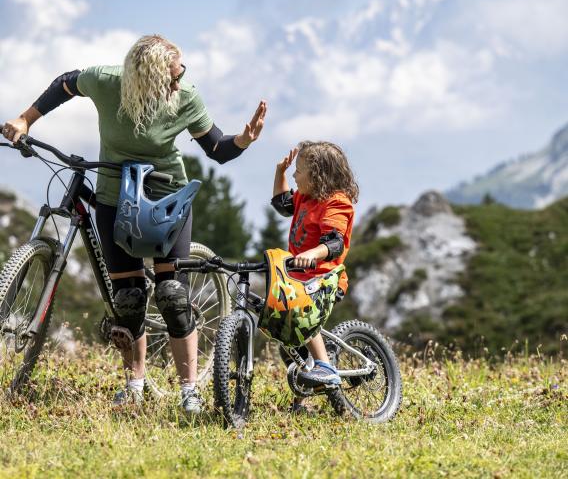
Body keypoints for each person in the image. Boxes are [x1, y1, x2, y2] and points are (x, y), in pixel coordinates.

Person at [2, 34, 267, 415]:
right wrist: (24, 119)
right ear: (148, 77)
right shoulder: (108, 81)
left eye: (181, 74)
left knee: (173, 296)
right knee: (128, 299)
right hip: (114, 198)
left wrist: (243, 139)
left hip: (166, 199)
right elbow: (65, 83)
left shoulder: (185, 95)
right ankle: (135, 385)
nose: (180, 82)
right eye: (173, 77)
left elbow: (217, 149)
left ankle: (189, 390)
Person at [271, 140, 357, 410]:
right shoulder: (304, 198)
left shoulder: (336, 203)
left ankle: (325, 367)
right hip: (300, 277)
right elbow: (281, 203)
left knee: (302, 316)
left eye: (299, 170)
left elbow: (334, 243)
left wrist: (314, 254)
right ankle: (302, 398)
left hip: (326, 277)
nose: (295, 176)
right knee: (288, 339)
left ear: (317, 175)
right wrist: (280, 173)